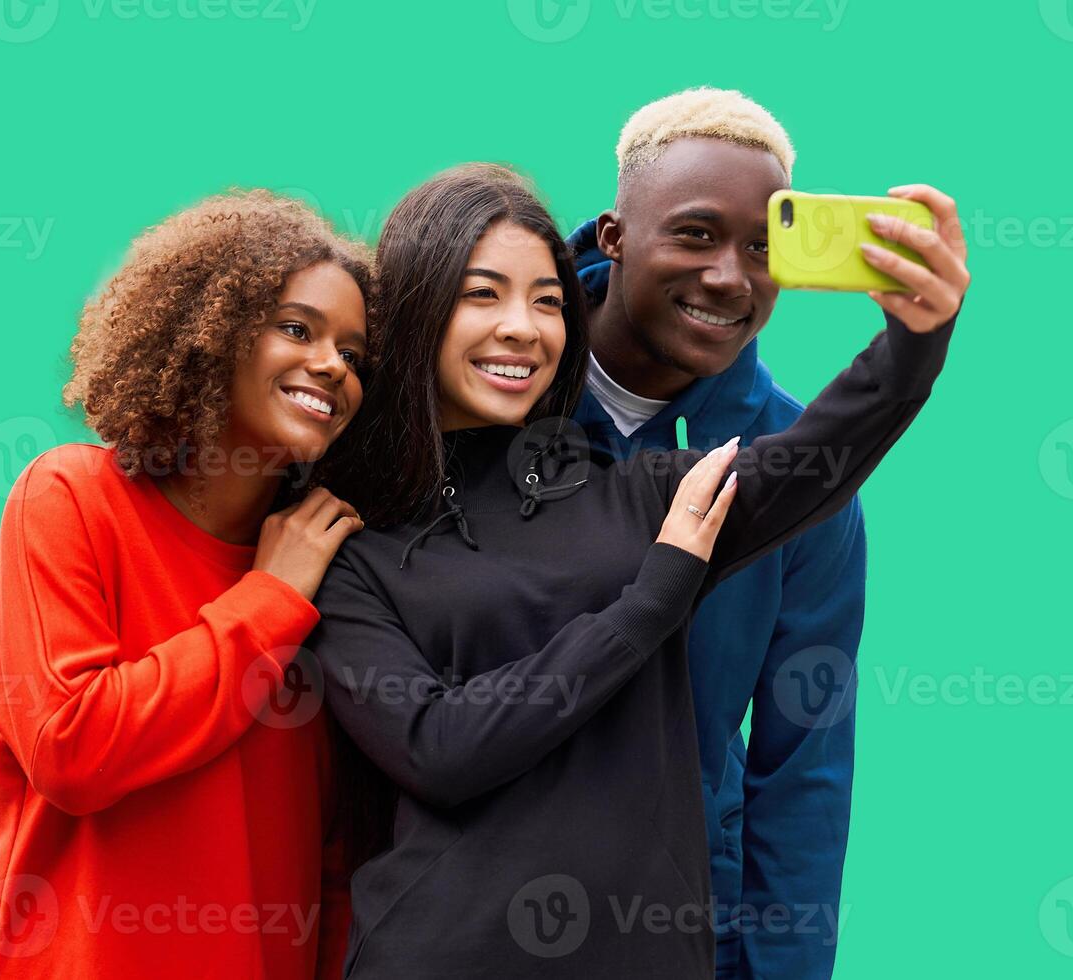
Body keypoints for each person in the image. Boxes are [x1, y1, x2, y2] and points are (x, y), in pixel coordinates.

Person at [312, 162, 968, 979]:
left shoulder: (640, 490)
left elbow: (813, 464)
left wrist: (914, 345)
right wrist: (652, 599)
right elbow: (439, 750)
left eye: (547, 302)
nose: (522, 328)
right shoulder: (346, 537)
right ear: (418, 311)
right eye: (483, 295)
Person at [0, 190, 373, 980]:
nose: (331, 366)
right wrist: (268, 601)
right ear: (209, 333)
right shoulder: (70, 497)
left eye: (354, 356)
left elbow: (332, 857)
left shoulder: (329, 564)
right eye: (297, 329)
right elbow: (70, 749)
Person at [567, 86, 930, 978]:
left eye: (765, 249)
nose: (732, 276)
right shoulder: (485, 390)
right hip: (476, 910)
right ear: (614, 236)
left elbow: (804, 762)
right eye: (695, 234)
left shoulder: (806, 471)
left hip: (688, 928)